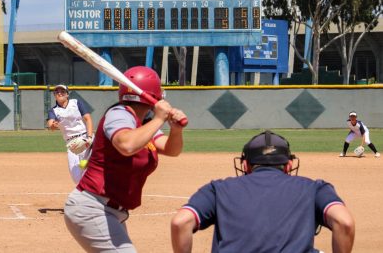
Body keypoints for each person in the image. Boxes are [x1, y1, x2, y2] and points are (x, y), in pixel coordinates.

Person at [64, 66, 187, 252]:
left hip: (111, 212)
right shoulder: (119, 114)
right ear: (156, 95)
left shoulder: (143, 124)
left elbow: (171, 150)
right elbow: (126, 145)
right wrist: (159, 118)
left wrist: (176, 130)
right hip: (92, 209)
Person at [171, 130, 355, 253]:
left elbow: (180, 223)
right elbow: (344, 222)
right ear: (289, 164)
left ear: (245, 164)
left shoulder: (218, 189)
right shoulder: (314, 188)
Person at [47, 84, 94, 184]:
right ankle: (85, 191)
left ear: (67, 94)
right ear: (54, 95)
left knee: (89, 168)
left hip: (84, 137)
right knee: (75, 175)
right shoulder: (54, 110)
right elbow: (50, 124)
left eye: (62, 91)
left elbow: (88, 119)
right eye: (57, 92)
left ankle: (93, 192)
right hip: (71, 143)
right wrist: (53, 126)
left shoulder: (76, 103)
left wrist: (89, 137)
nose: (60, 93)